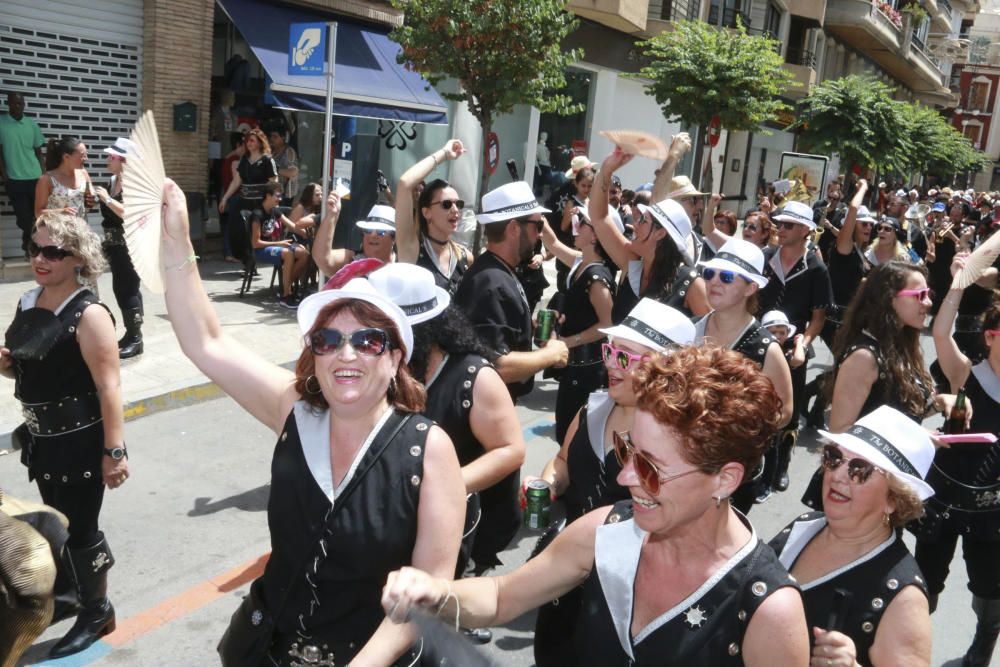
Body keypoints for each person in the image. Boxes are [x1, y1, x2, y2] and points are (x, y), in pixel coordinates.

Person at [158, 180, 465, 666]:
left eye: (368, 341)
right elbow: (205, 342)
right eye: (326, 339)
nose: (346, 354)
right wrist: (177, 238)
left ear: (396, 358)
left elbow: (432, 588)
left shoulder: (429, 450)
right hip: (267, 649)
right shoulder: (296, 413)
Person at [382, 345, 810, 666]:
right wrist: (436, 592)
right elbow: (499, 597)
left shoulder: (768, 609)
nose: (625, 478)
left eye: (651, 467)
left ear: (726, 479)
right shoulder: (606, 531)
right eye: (628, 453)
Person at [1, 212, 127, 658]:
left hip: (80, 440)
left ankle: (98, 610)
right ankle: (72, 598)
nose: (40, 258)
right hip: (42, 439)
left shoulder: (89, 313)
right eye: (34, 247)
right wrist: (7, 362)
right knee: (56, 524)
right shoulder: (28, 300)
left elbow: (109, 387)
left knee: (82, 529)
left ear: (77, 257)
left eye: (53, 251)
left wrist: (115, 451)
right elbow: (27, 366)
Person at [368, 263, 524, 584]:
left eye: (390, 335)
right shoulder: (374, 366)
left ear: (423, 331)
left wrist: (447, 485)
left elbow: (511, 449)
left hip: (449, 529)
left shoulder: (473, 377)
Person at [770, 405, 934, 667]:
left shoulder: (904, 598)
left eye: (860, 470)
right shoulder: (805, 526)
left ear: (894, 499)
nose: (837, 475)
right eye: (833, 458)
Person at [921, 270, 1000, 667]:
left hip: (993, 509)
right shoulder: (966, 373)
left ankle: (981, 650)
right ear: (991, 335)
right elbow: (939, 333)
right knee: (924, 581)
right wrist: (959, 283)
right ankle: (906, 649)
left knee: (991, 591)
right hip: (945, 499)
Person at [695, 238, 794, 509]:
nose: (714, 281)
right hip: (687, 464)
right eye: (709, 273)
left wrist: (735, 424)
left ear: (751, 287)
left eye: (727, 276)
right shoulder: (689, 329)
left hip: (733, 474)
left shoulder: (766, 349)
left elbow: (784, 412)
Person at [453, 181, 568, 403]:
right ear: (514, 228)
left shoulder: (498, 270)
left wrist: (532, 326)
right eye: (538, 225)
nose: (539, 234)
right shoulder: (491, 283)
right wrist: (551, 354)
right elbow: (496, 365)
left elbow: (495, 331)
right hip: (483, 416)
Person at [589, 149, 709, 324]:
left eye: (643, 220)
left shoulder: (689, 282)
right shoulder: (634, 264)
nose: (634, 224)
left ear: (661, 233)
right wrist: (606, 170)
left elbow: (711, 340)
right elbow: (599, 217)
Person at [827, 261, 934, 433]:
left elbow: (906, 412)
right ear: (889, 298)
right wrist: (913, 437)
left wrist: (942, 403)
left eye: (928, 294)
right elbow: (840, 430)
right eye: (919, 295)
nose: (928, 302)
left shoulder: (899, 345)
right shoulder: (863, 357)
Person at [757, 200, 833, 438]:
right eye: (779, 223)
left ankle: (781, 464)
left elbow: (818, 318)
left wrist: (803, 345)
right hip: (757, 341)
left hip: (792, 347)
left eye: (788, 225)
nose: (780, 229)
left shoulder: (816, 268)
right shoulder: (764, 257)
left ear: (804, 230)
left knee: (788, 408)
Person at [539, 210, 616, 445]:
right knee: (565, 431)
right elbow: (551, 241)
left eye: (581, 223)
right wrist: (535, 215)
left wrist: (567, 342)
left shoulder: (597, 276)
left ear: (595, 236)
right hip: (574, 365)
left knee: (574, 437)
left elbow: (608, 324)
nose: (575, 226)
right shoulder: (581, 263)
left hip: (589, 369)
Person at [394, 141, 472, 296]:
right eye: (447, 204)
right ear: (426, 212)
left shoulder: (465, 256)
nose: (455, 210)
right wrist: (444, 154)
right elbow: (404, 183)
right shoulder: (412, 248)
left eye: (459, 204)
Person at [93, 138, 144, 359]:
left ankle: (136, 338)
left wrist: (106, 200)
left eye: (111, 156)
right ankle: (130, 333)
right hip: (114, 245)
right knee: (119, 288)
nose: (107, 159)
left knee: (129, 288)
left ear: (124, 160)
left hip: (131, 246)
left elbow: (131, 214)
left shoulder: (135, 184)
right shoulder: (113, 180)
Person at [217, 128, 278, 261]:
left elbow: (274, 182)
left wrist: (270, 200)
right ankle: (247, 261)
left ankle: (253, 261)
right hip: (244, 201)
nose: (249, 143)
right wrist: (225, 198)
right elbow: (236, 181)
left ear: (260, 142)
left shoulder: (267, 160)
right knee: (239, 232)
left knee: (254, 233)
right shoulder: (245, 159)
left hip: (259, 203)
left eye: (252, 140)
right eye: (247, 141)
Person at [250, 183, 311, 309]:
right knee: (288, 253)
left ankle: (285, 287)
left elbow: (292, 225)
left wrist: (306, 234)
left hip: (274, 247)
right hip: (260, 250)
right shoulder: (257, 214)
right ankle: (285, 296)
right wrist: (279, 243)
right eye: (277, 196)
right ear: (268, 196)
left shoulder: (275, 211)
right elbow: (255, 243)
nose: (280, 199)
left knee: (304, 254)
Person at [0, 92, 46, 255]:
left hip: (35, 177)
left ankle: (29, 245)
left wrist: (44, 174)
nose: (18, 106)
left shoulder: (31, 124)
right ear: (8, 103)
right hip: (14, 179)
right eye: (14, 103)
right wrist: (4, 175)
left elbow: (38, 151)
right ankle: (29, 241)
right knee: (24, 217)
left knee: (38, 215)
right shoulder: (1, 122)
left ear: (24, 104)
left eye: (21, 103)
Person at [312, 194, 395, 276]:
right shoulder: (350, 260)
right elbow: (322, 258)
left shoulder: (404, 266)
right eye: (368, 230)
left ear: (394, 238)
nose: (373, 235)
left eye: (381, 232)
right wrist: (332, 215)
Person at [34, 136, 94, 219]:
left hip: (81, 228)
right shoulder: (47, 179)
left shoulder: (83, 173)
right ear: (66, 157)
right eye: (82, 155)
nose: (86, 158)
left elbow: (91, 197)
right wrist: (61, 212)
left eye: (86, 155)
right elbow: (38, 213)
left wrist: (92, 200)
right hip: (57, 230)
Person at [268, 129, 299, 205]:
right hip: (273, 193)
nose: (272, 139)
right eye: (271, 137)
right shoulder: (272, 151)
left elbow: (293, 172)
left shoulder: (288, 151)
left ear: (283, 138)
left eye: (275, 137)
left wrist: (276, 170)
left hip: (285, 195)